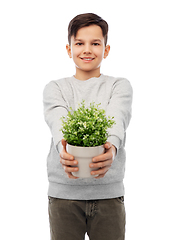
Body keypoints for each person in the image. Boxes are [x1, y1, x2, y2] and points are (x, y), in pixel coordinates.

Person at [43, 13, 133, 240]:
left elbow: (117, 118)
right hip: (64, 195)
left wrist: (111, 148)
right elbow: (58, 121)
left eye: (95, 43)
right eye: (79, 43)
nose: (87, 50)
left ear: (107, 49)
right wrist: (63, 149)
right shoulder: (56, 88)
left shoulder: (118, 85)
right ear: (68, 48)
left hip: (108, 195)